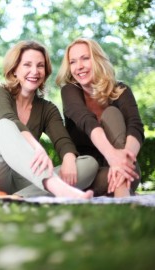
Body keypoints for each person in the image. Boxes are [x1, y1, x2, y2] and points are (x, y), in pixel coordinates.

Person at [0, 40, 98, 199]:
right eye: (27, 65)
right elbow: (11, 120)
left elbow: (63, 142)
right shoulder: (0, 95)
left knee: (88, 164)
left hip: (21, 180)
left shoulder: (47, 109)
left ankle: (17, 198)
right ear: (14, 69)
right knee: (5, 125)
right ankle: (59, 189)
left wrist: (69, 158)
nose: (35, 71)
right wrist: (36, 147)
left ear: (46, 71)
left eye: (40, 66)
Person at [56, 37, 144, 197]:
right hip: (90, 172)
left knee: (112, 114)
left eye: (85, 58)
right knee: (98, 172)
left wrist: (124, 160)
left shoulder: (121, 90)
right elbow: (86, 121)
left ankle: (121, 191)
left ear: (97, 59)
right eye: (73, 62)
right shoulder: (69, 91)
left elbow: (135, 126)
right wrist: (113, 158)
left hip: (127, 168)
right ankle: (122, 194)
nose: (79, 67)